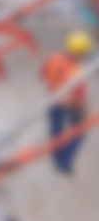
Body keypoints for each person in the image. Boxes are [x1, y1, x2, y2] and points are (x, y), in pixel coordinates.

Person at [41, 30, 93, 174]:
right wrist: (84, 113)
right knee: (78, 132)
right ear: (80, 52)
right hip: (69, 104)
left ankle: (55, 153)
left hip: (52, 98)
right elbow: (79, 97)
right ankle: (64, 163)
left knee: (55, 128)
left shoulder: (54, 58)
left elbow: (43, 73)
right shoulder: (76, 71)